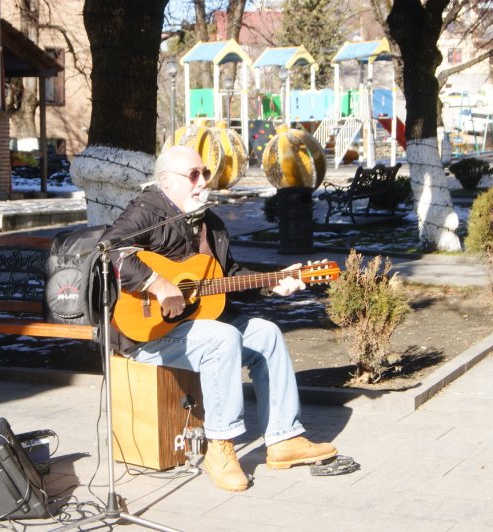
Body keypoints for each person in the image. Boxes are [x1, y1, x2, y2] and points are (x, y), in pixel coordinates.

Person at [101, 145, 337, 492]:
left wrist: (273, 282)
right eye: (193, 175)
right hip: (145, 333)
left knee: (267, 333)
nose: (202, 182)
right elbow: (109, 250)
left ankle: (284, 437)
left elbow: (228, 277)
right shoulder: (147, 210)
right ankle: (220, 445)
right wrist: (158, 284)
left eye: (205, 173)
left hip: (196, 325)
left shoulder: (209, 224)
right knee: (222, 338)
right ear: (166, 182)